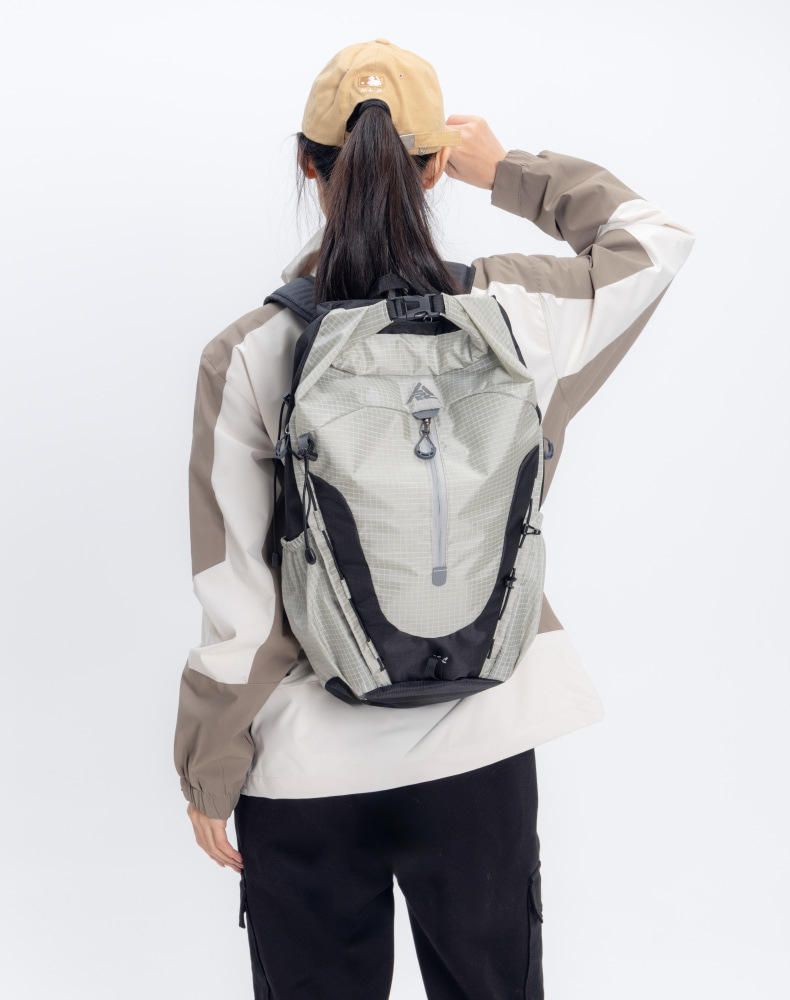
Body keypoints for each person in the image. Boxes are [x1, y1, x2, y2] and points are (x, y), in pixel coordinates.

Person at [173, 38, 695, 1000]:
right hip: (480, 745)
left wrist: (210, 763)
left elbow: (233, 592)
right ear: (434, 165)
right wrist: (511, 172)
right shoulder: (514, 317)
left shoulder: (249, 353)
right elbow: (654, 240)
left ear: (308, 165)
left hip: (304, 768)